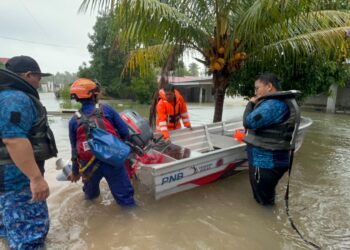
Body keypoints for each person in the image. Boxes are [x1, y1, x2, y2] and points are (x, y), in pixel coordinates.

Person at [0, 55, 58, 249]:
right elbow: (13, 139)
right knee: (29, 234)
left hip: (6, 182)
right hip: (17, 180)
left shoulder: (4, 96)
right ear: (28, 75)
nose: (39, 83)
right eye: (38, 78)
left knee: (9, 229)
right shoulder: (16, 98)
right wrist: (35, 178)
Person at [68, 78, 135, 207]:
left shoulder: (73, 120)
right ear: (94, 95)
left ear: (77, 98)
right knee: (126, 201)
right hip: (113, 160)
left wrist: (75, 172)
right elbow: (124, 132)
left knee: (90, 199)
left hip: (88, 166)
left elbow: (74, 150)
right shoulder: (107, 110)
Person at [242, 73, 300, 206]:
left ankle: (267, 223)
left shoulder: (273, 105)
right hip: (272, 161)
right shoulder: (279, 103)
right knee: (267, 196)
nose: (255, 92)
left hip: (265, 162)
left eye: (257, 88)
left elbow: (248, 122)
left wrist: (250, 103)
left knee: (263, 201)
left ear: (269, 86)